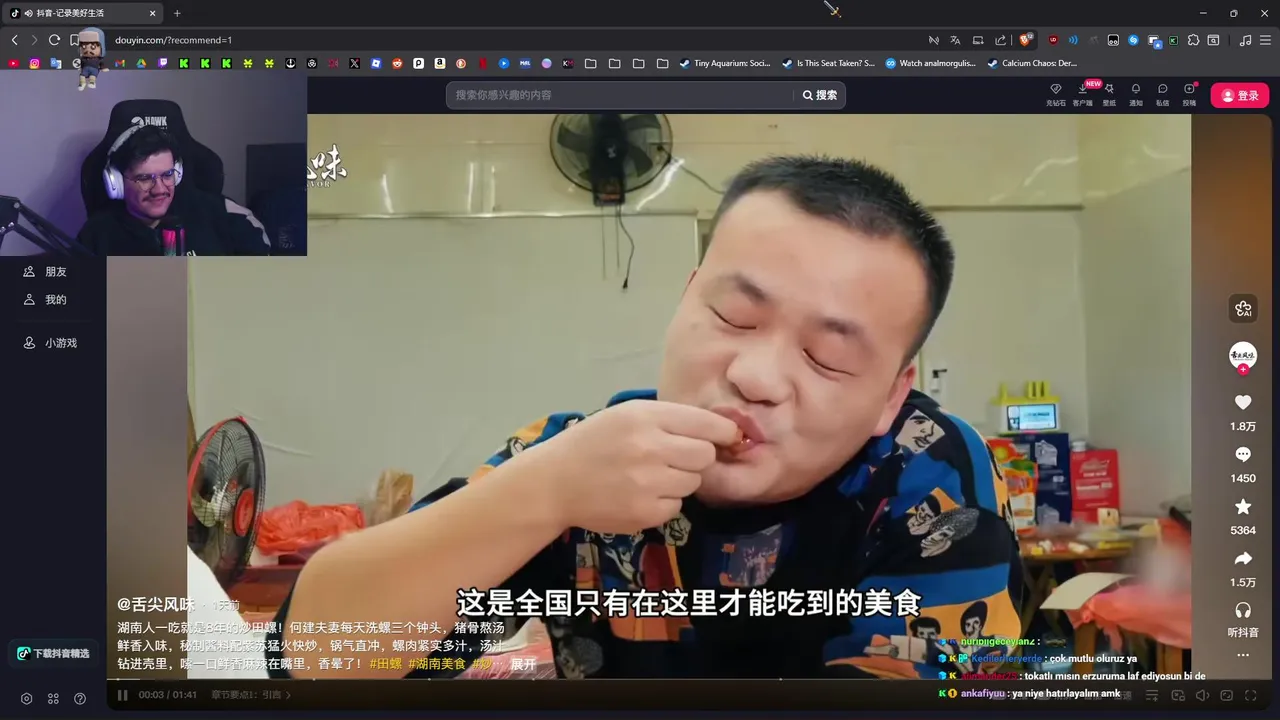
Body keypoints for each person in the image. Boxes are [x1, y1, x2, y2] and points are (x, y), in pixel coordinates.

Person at [268, 155, 1023, 680]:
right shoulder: (579, 459)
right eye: (733, 316)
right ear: (686, 298)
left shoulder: (927, 474)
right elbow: (312, 658)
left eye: (827, 358)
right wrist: (544, 493)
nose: (755, 376)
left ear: (893, 396)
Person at [76, 125, 271, 256]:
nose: (159, 189)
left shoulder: (215, 211)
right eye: (144, 178)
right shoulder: (96, 235)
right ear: (116, 182)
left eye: (167, 175)